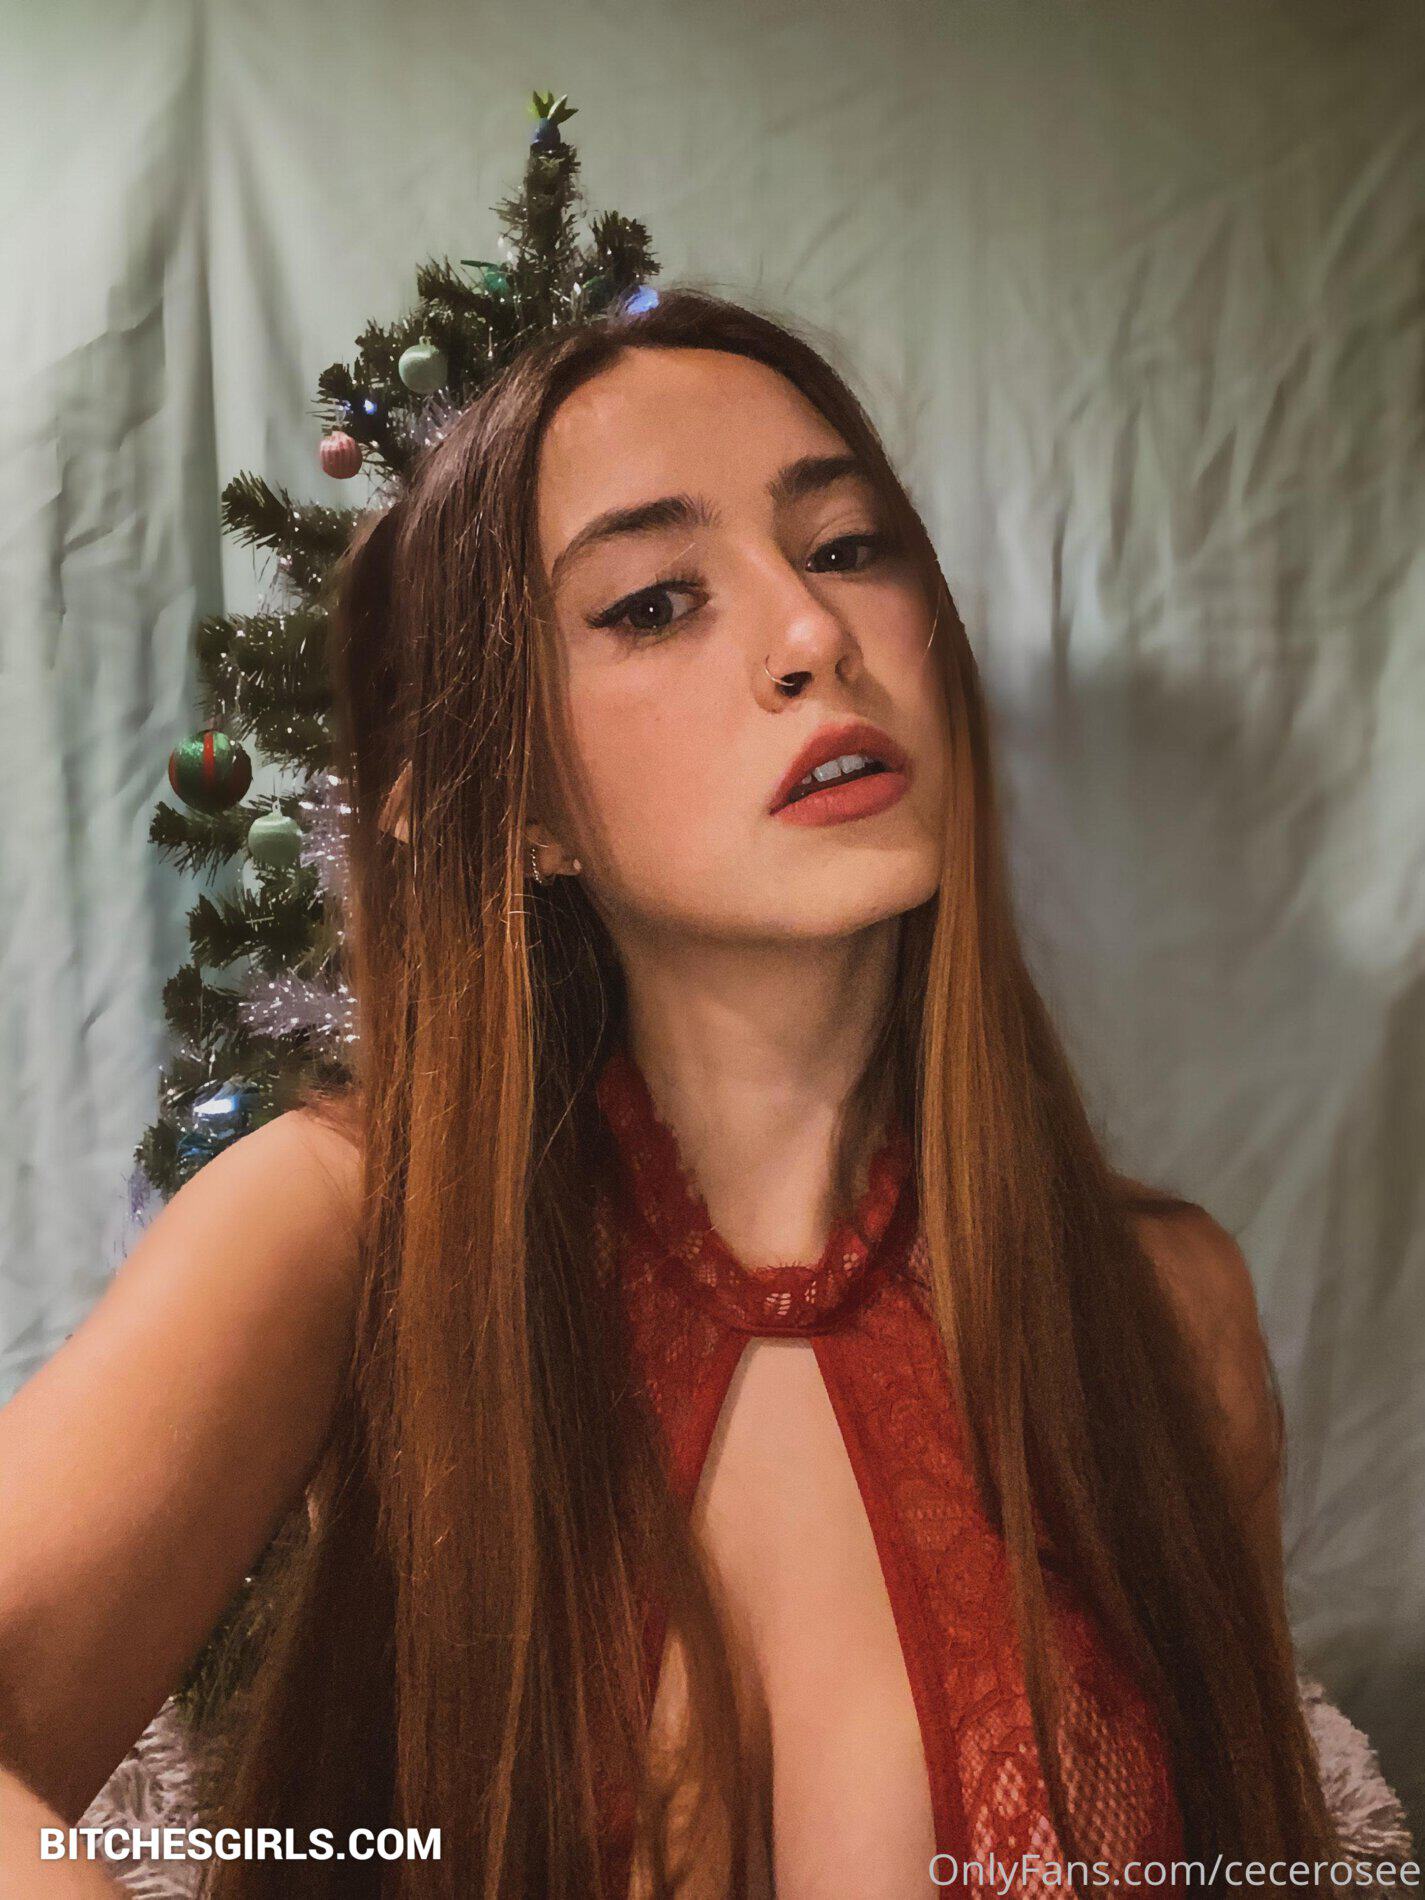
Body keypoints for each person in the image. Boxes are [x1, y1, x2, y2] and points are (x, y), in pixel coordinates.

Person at [0, 289, 1341, 1898]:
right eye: (650, 603)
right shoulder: (345, 1226)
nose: (812, 634)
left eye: (846, 545)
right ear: (514, 809)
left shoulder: (1160, 1307)